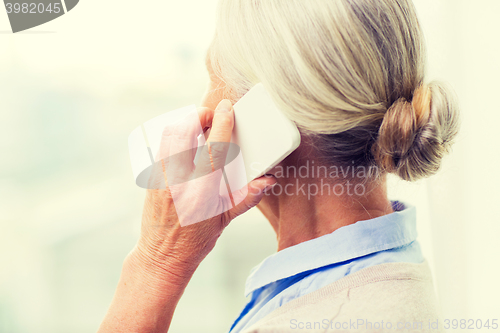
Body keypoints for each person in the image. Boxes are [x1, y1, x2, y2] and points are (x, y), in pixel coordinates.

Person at [98, 0, 459, 332]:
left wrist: (157, 261)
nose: (203, 103)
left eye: (214, 78)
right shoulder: (386, 276)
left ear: (265, 114)